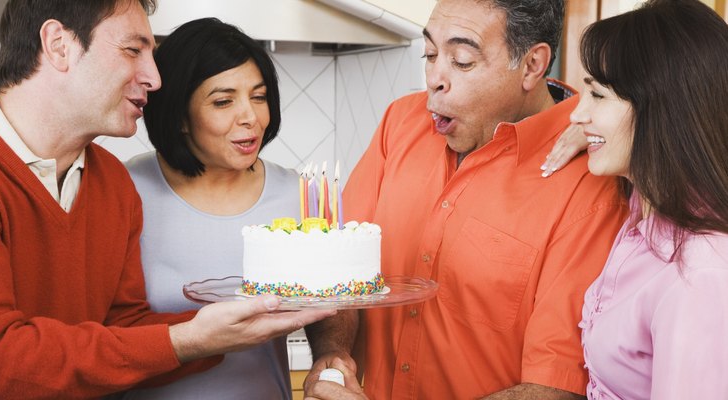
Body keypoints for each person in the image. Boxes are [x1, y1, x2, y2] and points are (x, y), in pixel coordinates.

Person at [0, 1, 335, 398]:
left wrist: (225, 326)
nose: (155, 78)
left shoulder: (110, 183)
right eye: (133, 50)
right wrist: (188, 340)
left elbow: (123, 328)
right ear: (59, 45)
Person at [304, 0, 630, 399]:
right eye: (429, 54)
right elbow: (340, 271)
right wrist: (332, 356)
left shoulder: (589, 180)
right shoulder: (400, 123)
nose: (434, 79)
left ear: (531, 65)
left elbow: (555, 386)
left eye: (461, 61)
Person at [118, 18, 352, 399]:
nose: (250, 117)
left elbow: (333, 302)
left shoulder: (300, 195)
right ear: (179, 115)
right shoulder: (124, 190)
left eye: (258, 97)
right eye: (223, 101)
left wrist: (331, 354)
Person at [547, 1, 728, 398]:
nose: (575, 116)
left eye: (596, 94)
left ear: (662, 108)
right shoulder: (643, 210)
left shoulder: (699, 274)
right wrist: (603, 131)